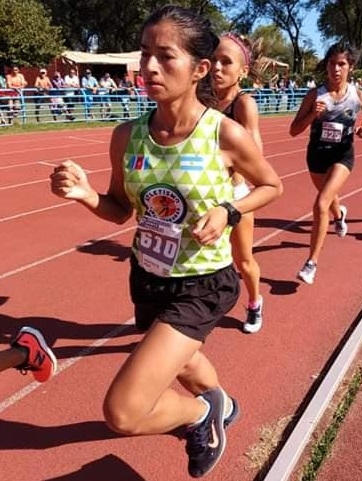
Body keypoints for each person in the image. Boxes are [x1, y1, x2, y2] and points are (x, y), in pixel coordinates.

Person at [50, 5, 282, 479]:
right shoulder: (127, 136)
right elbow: (120, 208)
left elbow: (271, 185)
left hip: (202, 283)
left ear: (199, 69)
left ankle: (199, 415)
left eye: (165, 56)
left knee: (123, 411)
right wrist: (86, 195)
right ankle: (220, 405)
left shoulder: (224, 133)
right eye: (144, 54)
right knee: (187, 362)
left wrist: (229, 210)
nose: (149, 67)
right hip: (150, 276)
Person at [289, 42, 362, 285]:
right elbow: (294, 130)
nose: (336, 69)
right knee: (328, 198)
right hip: (317, 155)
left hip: (343, 155)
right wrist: (313, 114)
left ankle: (311, 263)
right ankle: (340, 215)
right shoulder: (315, 95)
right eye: (332, 63)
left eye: (341, 64)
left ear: (351, 67)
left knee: (321, 203)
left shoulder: (357, 95)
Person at [212, 32, 265, 333]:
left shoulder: (244, 104)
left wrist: (228, 158)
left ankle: (255, 302)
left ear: (242, 71)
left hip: (235, 195)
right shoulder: (202, 99)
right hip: (204, 192)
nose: (217, 67)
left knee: (243, 261)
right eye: (214, 60)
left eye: (226, 62)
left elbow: (256, 155)